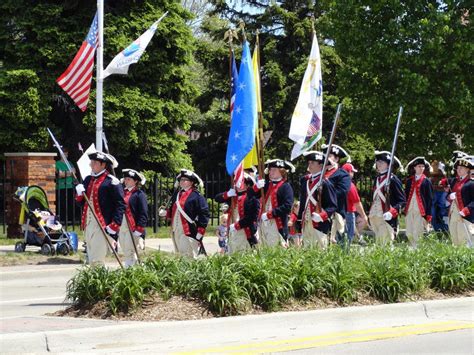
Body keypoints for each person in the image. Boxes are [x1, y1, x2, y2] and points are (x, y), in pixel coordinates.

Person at [75, 151, 126, 266]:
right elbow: (81, 203)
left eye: (94, 162)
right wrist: (79, 194)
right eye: (91, 162)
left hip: (102, 226)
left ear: (103, 165)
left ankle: (101, 283)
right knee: (91, 258)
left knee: (97, 261)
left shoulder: (112, 182)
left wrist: (114, 225)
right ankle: (95, 282)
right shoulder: (88, 180)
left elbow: (120, 205)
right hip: (88, 225)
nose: (91, 165)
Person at [163, 169, 210, 258]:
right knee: (179, 253)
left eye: (185, 180)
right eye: (181, 180)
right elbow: (174, 209)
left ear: (191, 182)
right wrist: (166, 213)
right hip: (175, 228)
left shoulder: (196, 196)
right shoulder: (177, 194)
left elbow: (204, 213)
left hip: (188, 229)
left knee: (187, 254)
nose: (182, 181)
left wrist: (201, 230)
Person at [297, 151, 337, 249]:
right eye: (309, 163)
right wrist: (298, 221)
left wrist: (321, 216)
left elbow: (332, 206)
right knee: (306, 250)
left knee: (320, 250)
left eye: (313, 163)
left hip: (319, 224)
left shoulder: (325, 183)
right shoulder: (306, 182)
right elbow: (303, 203)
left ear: (321, 166)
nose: (309, 165)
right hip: (306, 223)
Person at [215, 173, 260, 253]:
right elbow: (217, 198)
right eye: (236, 181)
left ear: (247, 184)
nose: (237, 184)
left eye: (240, 181)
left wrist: (236, 226)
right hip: (231, 231)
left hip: (245, 231)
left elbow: (252, 217)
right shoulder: (233, 196)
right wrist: (227, 194)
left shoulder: (252, 198)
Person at [368, 151, 406, 246]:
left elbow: (402, 201)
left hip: (386, 216)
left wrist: (391, 212)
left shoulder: (393, 179)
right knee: (379, 243)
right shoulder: (377, 179)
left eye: (382, 162)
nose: (379, 164)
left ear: (388, 165)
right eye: (378, 162)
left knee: (385, 244)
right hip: (375, 216)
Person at [256, 159, 295, 247]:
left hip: (277, 225)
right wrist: (256, 187)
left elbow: (287, 206)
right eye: (270, 169)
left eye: (274, 170)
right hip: (263, 223)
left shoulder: (286, 187)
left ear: (282, 171)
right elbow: (252, 196)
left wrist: (269, 215)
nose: (270, 172)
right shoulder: (266, 185)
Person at [321, 144, 352, 244]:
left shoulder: (342, 174)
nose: (326, 158)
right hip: (319, 211)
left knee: (338, 242)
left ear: (337, 159)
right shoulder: (319, 173)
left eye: (329, 156)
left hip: (335, 211)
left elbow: (342, 191)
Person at [119, 169, 148, 267]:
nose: (126, 181)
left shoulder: (139, 195)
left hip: (132, 227)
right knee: (125, 249)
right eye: (125, 179)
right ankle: (137, 269)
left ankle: (129, 271)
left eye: (129, 179)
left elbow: (143, 214)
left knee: (129, 250)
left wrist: (139, 230)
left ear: (135, 181)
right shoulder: (122, 193)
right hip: (121, 226)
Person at [404, 157, 434, 248]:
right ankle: (412, 246)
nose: (421, 168)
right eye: (419, 166)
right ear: (414, 168)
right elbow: (405, 195)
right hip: (409, 209)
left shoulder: (427, 181)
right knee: (409, 231)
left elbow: (429, 199)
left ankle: (417, 249)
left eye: (422, 166)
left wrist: (428, 215)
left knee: (417, 232)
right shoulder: (409, 181)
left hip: (420, 211)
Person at [447, 155, 473, 247]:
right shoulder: (454, 181)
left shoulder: (471, 183)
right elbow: (448, 196)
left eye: (461, 168)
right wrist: (450, 196)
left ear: (467, 170)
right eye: (458, 168)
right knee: (454, 237)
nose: (458, 170)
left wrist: (465, 210)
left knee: (464, 239)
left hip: (465, 216)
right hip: (453, 213)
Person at [341, 163, 368, 247]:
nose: (353, 174)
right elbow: (357, 203)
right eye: (352, 172)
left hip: (339, 213)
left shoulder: (337, 183)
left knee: (341, 237)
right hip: (349, 213)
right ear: (349, 172)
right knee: (348, 237)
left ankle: (358, 238)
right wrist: (364, 215)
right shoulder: (350, 185)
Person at [430, 160, 449, 231]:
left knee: (443, 209)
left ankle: (444, 226)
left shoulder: (443, 175)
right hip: (435, 193)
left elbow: (446, 182)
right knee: (433, 210)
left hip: (442, 192)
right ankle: (435, 226)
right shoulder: (432, 175)